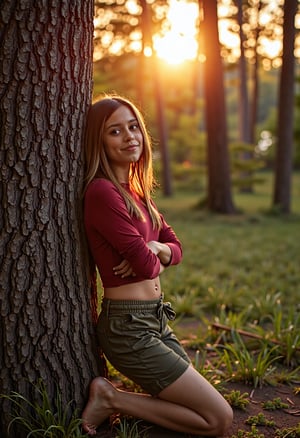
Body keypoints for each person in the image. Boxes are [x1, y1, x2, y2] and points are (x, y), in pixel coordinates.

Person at [81, 94, 233, 436]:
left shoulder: (136, 191)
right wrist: (155, 256)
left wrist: (157, 248)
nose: (130, 136)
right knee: (218, 420)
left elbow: (176, 248)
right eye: (115, 132)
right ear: (99, 141)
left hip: (156, 320)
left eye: (133, 127)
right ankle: (110, 398)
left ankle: (121, 402)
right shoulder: (103, 193)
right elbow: (147, 267)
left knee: (194, 410)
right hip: (128, 328)